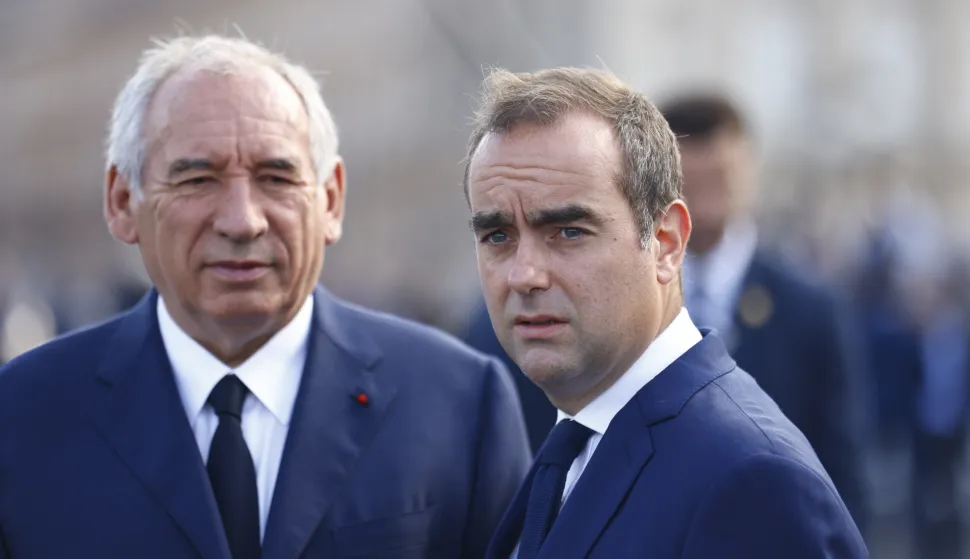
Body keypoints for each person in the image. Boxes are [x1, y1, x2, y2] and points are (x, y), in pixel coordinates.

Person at [0, 35, 531, 559]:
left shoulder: (459, 404)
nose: (242, 220)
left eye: (276, 177)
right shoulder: (23, 414)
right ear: (121, 201)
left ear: (330, 200)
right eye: (197, 179)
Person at [463, 67, 867, 558]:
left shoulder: (754, 480)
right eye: (497, 236)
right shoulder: (573, 440)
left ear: (667, 242)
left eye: (568, 231)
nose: (524, 274)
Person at [659, 93, 869, 528]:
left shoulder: (809, 307)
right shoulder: (633, 298)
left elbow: (843, 469)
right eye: (689, 183)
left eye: (719, 179)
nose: (704, 200)